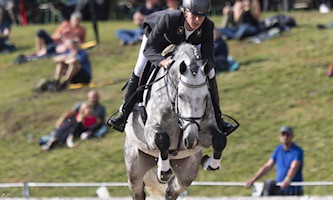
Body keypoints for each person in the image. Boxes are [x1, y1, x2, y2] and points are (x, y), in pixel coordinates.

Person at [108, 0, 236, 136]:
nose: (198, 20)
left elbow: (209, 56)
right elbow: (150, 49)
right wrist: (161, 61)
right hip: (157, 39)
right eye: (194, 15)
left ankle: (218, 118)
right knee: (140, 68)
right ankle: (124, 113)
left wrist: (203, 65)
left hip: (186, 43)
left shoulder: (207, 26)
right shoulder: (170, 19)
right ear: (185, 12)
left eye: (202, 16)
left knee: (210, 73)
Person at [245, 126, 304, 196]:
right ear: (280, 136)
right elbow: (268, 166)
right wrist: (253, 179)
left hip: (293, 190)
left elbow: (294, 167)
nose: (285, 137)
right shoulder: (278, 149)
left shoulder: (297, 151)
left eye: (287, 135)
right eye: (283, 135)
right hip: (280, 188)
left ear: (292, 136)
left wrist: (287, 179)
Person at [39, 89, 107, 150]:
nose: (94, 99)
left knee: (75, 125)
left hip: (84, 127)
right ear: (88, 97)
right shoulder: (81, 104)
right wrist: (61, 120)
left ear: (98, 98)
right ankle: (55, 140)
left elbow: (100, 122)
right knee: (68, 124)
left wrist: (90, 131)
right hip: (74, 122)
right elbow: (70, 112)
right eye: (92, 97)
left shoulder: (101, 108)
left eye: (95, 97)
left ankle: (59, 140)